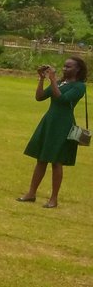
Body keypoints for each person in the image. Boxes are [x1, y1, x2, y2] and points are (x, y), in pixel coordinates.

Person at [20, 57, 87, 208]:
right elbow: (39, 97)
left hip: (63, 124)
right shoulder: (62, 83)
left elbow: (62, 99)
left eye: (68, 67)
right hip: (49, 121)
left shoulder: (79, 87)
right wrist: (42, 79)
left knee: (56, 161)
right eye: (64, 66)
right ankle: (31, 193)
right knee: (41, 159)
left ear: (78, 69)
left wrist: (53, 79)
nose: (64, 69)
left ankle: (53, 199)